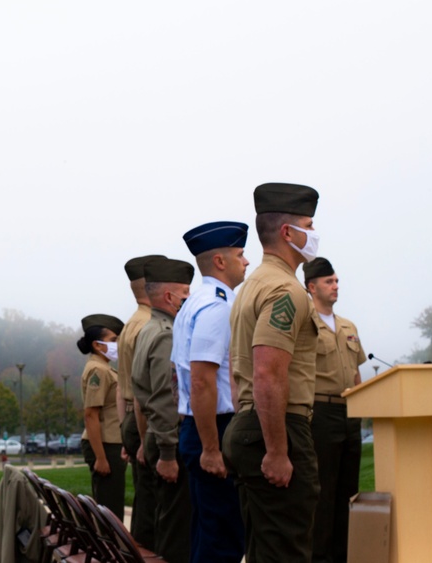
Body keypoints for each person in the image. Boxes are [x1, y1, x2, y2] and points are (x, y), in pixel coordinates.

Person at [223, 182, 322, 563]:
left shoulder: (251, 286)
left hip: (251, 423)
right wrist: (278, 450)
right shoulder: (285, 290)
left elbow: (238, 369)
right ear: (288, 233)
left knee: (264, 549)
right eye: (308, 226)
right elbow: (267, 373)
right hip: (278, 428)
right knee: (286, 551)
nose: (313, 235)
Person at [173, 222, 249, 563]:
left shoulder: (194, 302)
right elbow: (202, 379)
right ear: (220, 261)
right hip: (213, 427)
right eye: (240, 254)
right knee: (223, 541)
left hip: (200, 425)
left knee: (208, 535)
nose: (246, 261)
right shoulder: (217, 306)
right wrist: (211, 449)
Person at [304, 257, 366, 563]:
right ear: (311, 287)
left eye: (337, 281)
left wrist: (362, 403)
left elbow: (356, 373)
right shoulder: (305, 323)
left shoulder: (348, 326)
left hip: (350, 412)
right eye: (329, 282)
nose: (336, 286)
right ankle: (320, 557)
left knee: (348, 492)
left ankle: (343, 555)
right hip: (321, 413)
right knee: (323, 493)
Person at [132, 257, 194, 563]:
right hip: (171, 438)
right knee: (177, 531)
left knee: (167, 521)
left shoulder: (148, 329)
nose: (190, 297)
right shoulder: (167, 334)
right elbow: (165, 397)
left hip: (160, 435)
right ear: (168, 296)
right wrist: (169, 453)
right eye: (185, 292)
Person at [116, 254, 164, 546]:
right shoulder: (148, 325)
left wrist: (126, 432)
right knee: (153, 505)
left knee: (145, 498)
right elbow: (143, 389)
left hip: (134, 417)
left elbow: (125, 389)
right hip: (145, 418)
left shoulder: (129, 326)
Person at [77, 313, 127, 519]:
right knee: (110, 510)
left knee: (110, 505)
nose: (117, 344)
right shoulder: (99, 370)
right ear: (97, 345)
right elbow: (91, 414)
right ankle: (110, 549)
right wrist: (101, 457)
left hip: (110, 444)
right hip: (105, 445)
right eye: (113, 340)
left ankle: (109, 548)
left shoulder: (104, 368)